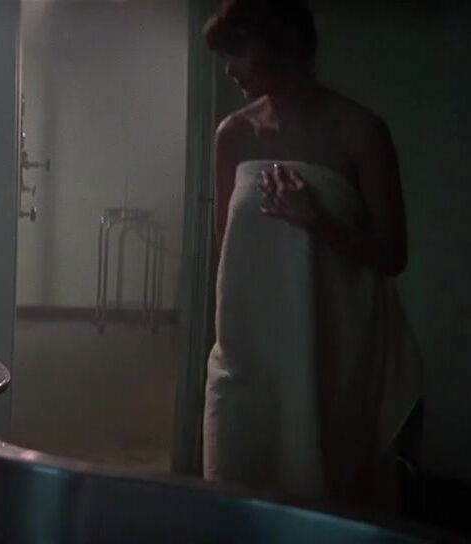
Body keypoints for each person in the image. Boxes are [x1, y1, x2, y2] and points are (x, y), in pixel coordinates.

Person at [201, 0, 423, 513]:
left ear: (283, 43)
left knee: (320, 493)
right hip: (247, 352)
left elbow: (393, 254)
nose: (230, 70)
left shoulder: (359, 131)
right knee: (231, 484)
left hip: (330, 349)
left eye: (239, 51)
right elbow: (227, 250)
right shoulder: (233, 135)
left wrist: (317, 221)